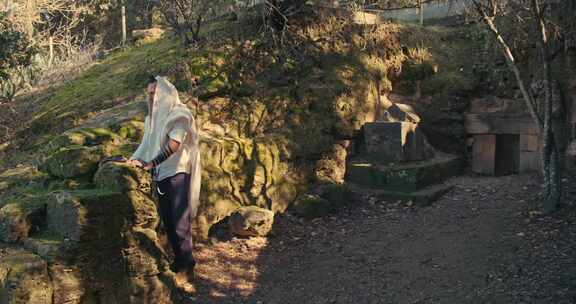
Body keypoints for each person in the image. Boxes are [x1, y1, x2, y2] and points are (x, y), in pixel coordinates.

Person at [127, 75, 202, 293]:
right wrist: (134, 160)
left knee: (180, 222)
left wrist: (152, 163)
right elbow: (146, 145)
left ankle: (187, 267)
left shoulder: (179, 114)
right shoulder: (151, 120)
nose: (151, 98)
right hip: (161, 174)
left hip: (177, 172)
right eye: (149, 94)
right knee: (168, 221)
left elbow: (174, 144)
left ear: (166, 95)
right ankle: (179, 262)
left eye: (155, 93)